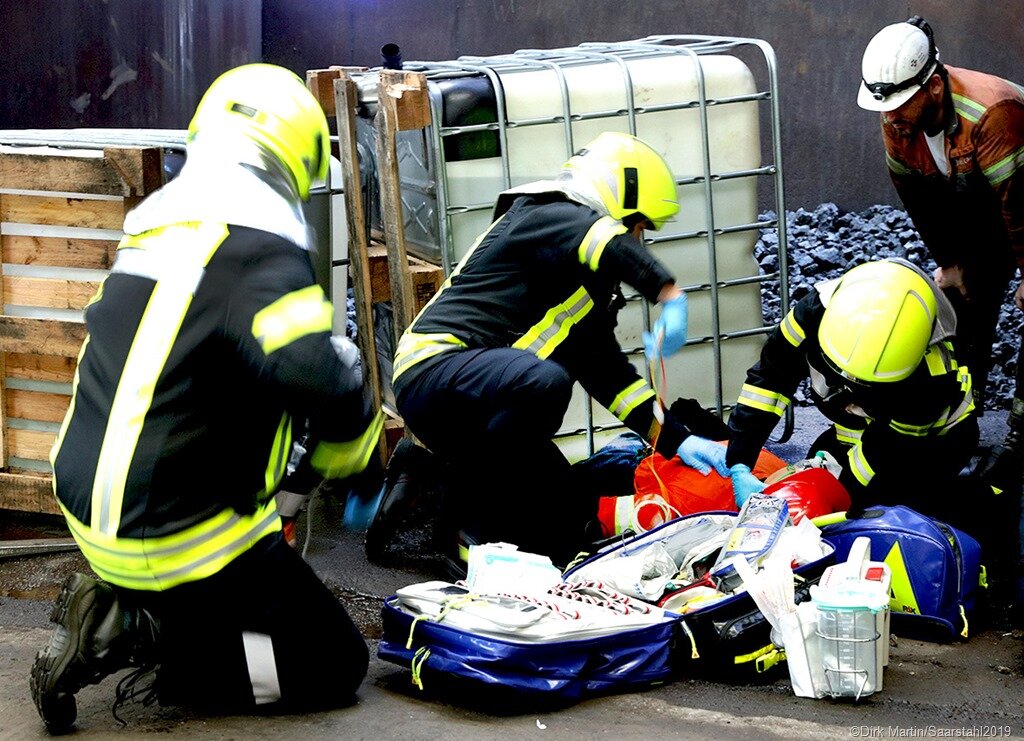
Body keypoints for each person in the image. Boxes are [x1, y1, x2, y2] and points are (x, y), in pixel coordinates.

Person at [32, 64, 382, 733]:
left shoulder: (155, 232)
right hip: (184, 537)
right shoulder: (260, 247)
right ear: (298, 157)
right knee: (331, 662)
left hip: (84, 505)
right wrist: (354, 453)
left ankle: (131, 598)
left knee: (253, 585)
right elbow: (318, 373)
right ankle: (155, 637)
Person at [386, 131, 739, 571]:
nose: (638, 238)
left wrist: (678, 440)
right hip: (433, 369)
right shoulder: (548, 213)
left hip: (474, 396)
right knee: (545, 381)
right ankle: (464, 527)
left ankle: (417, 492)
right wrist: (667, 293)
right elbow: (603, 239)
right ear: (621, 200)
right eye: (639, 225)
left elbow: (610, 377)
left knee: (566, 513)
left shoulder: (579, 287)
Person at [857, 16, 1024, 489]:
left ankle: (1019, 440)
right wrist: (952, 264)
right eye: (883, 107)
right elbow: (920, 199)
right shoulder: (897, 119)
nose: (889, 117)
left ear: (933, 86)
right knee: (963, 303)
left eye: (898, 105)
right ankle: (961, 421)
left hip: (1019, 192)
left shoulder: (993, 113)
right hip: (984, 198)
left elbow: (1019, 204)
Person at [724, 258, 979, 520]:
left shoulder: (928, 379)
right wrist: (740, 461)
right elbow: (769, 379)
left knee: (893, 514)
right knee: (816, 475)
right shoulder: (813, 313)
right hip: (857, 429)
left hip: (931, 444)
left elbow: (885, 452)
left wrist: (842, 497)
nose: (847, 381)